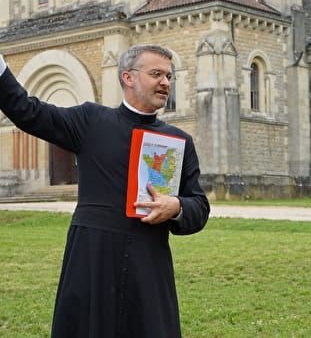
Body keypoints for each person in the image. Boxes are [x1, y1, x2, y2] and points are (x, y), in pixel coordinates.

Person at [0, 44, 210, 338]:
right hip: (91, 259)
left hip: (148, 263)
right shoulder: (90, 121)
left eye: (168, 76)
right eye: (156, 74)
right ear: (128, 77)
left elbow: (199, 206)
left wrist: (176, 207)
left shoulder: (178, 141)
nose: (165, 82)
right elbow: (27, 111)